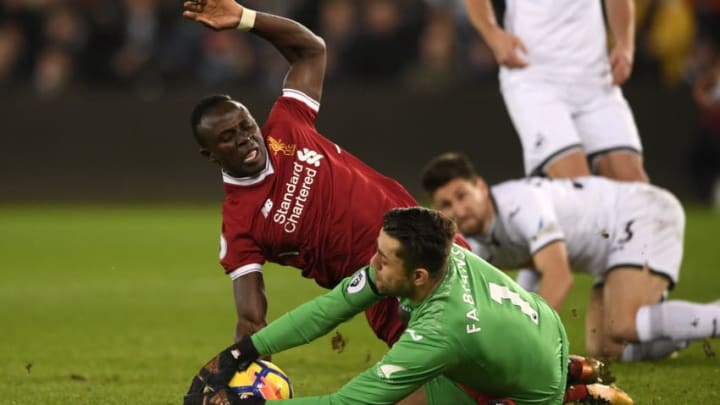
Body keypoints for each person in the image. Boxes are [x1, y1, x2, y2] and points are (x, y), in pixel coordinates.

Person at [183, 207, 634, 405]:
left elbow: (350, 403)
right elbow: (331, 307)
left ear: (418, 276)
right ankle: (575, 371)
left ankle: (576, 395)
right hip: (540, 327)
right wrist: (242, 352)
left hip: (532, 387)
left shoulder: (440, 329)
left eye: (383, 257)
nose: (372, 262)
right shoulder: (437, 255)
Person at [184, 0, 429, 347]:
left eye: (245, 125)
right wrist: (240, 368)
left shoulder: (286, 124)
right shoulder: (240, 222)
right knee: (440, 383)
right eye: (228, 138)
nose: (245, 138)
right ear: (210, 155)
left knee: (504, 335)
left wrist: (245, 19)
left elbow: (311, 51)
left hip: (424, 238)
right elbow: (252, 320)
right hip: (381, 287)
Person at [421, 152, 720, 363]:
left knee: (622, 324)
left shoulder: (520, 205)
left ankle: (712, 318)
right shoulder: (477, 239)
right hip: (611, 250)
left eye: (462, 195)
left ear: (482, 188)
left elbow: (559, 277)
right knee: (606, 347)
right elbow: (516, 290)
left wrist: (526, 344)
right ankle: (684, 329)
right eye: (446, 204)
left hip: (641, 215)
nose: (458, 210)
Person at [464, 0, 649, 182]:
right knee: (578, 189)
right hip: (535, 79)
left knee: (635, 189)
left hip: (595, 79)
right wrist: (492, 33)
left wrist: (625, 44)